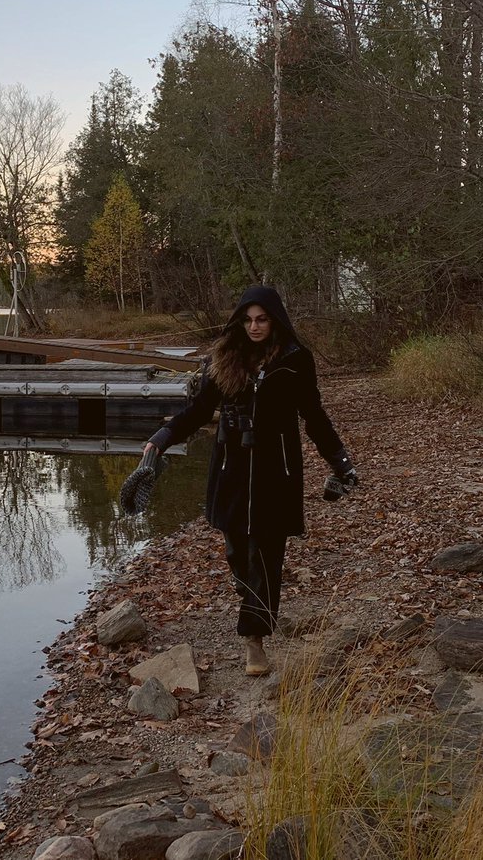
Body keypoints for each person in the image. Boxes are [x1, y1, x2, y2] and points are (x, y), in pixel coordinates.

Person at [142, 285, 357, 676]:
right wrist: (163, 437)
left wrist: (340, 461)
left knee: (266, 553)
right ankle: (251, 594)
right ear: (239, 321)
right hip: (232, 469)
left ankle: (254, 640)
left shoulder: (295, 361)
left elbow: (314, 416)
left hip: (278, 471)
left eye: (262, 319)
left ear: (274, 320)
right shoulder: (223, 358)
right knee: (237, 551)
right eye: (248, 319)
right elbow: (198, 410)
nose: (254, 326)